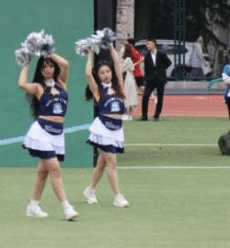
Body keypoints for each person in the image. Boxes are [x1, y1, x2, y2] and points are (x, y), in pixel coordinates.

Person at [19, 49, 78, 220]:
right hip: (42, 132)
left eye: (50, 65)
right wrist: (26, 61)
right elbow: (22, 84)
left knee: (42, 172)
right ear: (40, 69)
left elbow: (66, 64)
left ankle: (33, 206)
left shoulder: (61, 82)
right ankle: (66, 207)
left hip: (57, 134)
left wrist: (48, 51)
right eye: (44, 66)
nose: (48, 69)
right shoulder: (39, 87)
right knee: (55, 170)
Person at [82, 47, 130, 208]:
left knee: (102, 164)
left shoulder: (119, 86)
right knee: (112, 163)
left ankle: (90, 190)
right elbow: (88, 74)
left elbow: (117, 63)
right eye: (102, 73)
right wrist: (90, 53)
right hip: (103, 129)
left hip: (117, 128)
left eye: (107, 71)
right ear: (99, 75)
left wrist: (110, 46)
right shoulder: (98, 90)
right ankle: (118, 196)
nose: (106, 74)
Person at [139, 39, 171, 121]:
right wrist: (145, 79)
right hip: (150, 79)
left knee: (160, 97)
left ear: (154, 44)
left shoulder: (161, 54)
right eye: (147, 44)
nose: (147, 46)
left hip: (160, 79)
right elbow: (146, 68)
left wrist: (161, 70)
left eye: (149, 44)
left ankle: (157, 115)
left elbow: (168, 63)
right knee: (146, 95)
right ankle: (144, 115)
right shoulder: (147, 56)